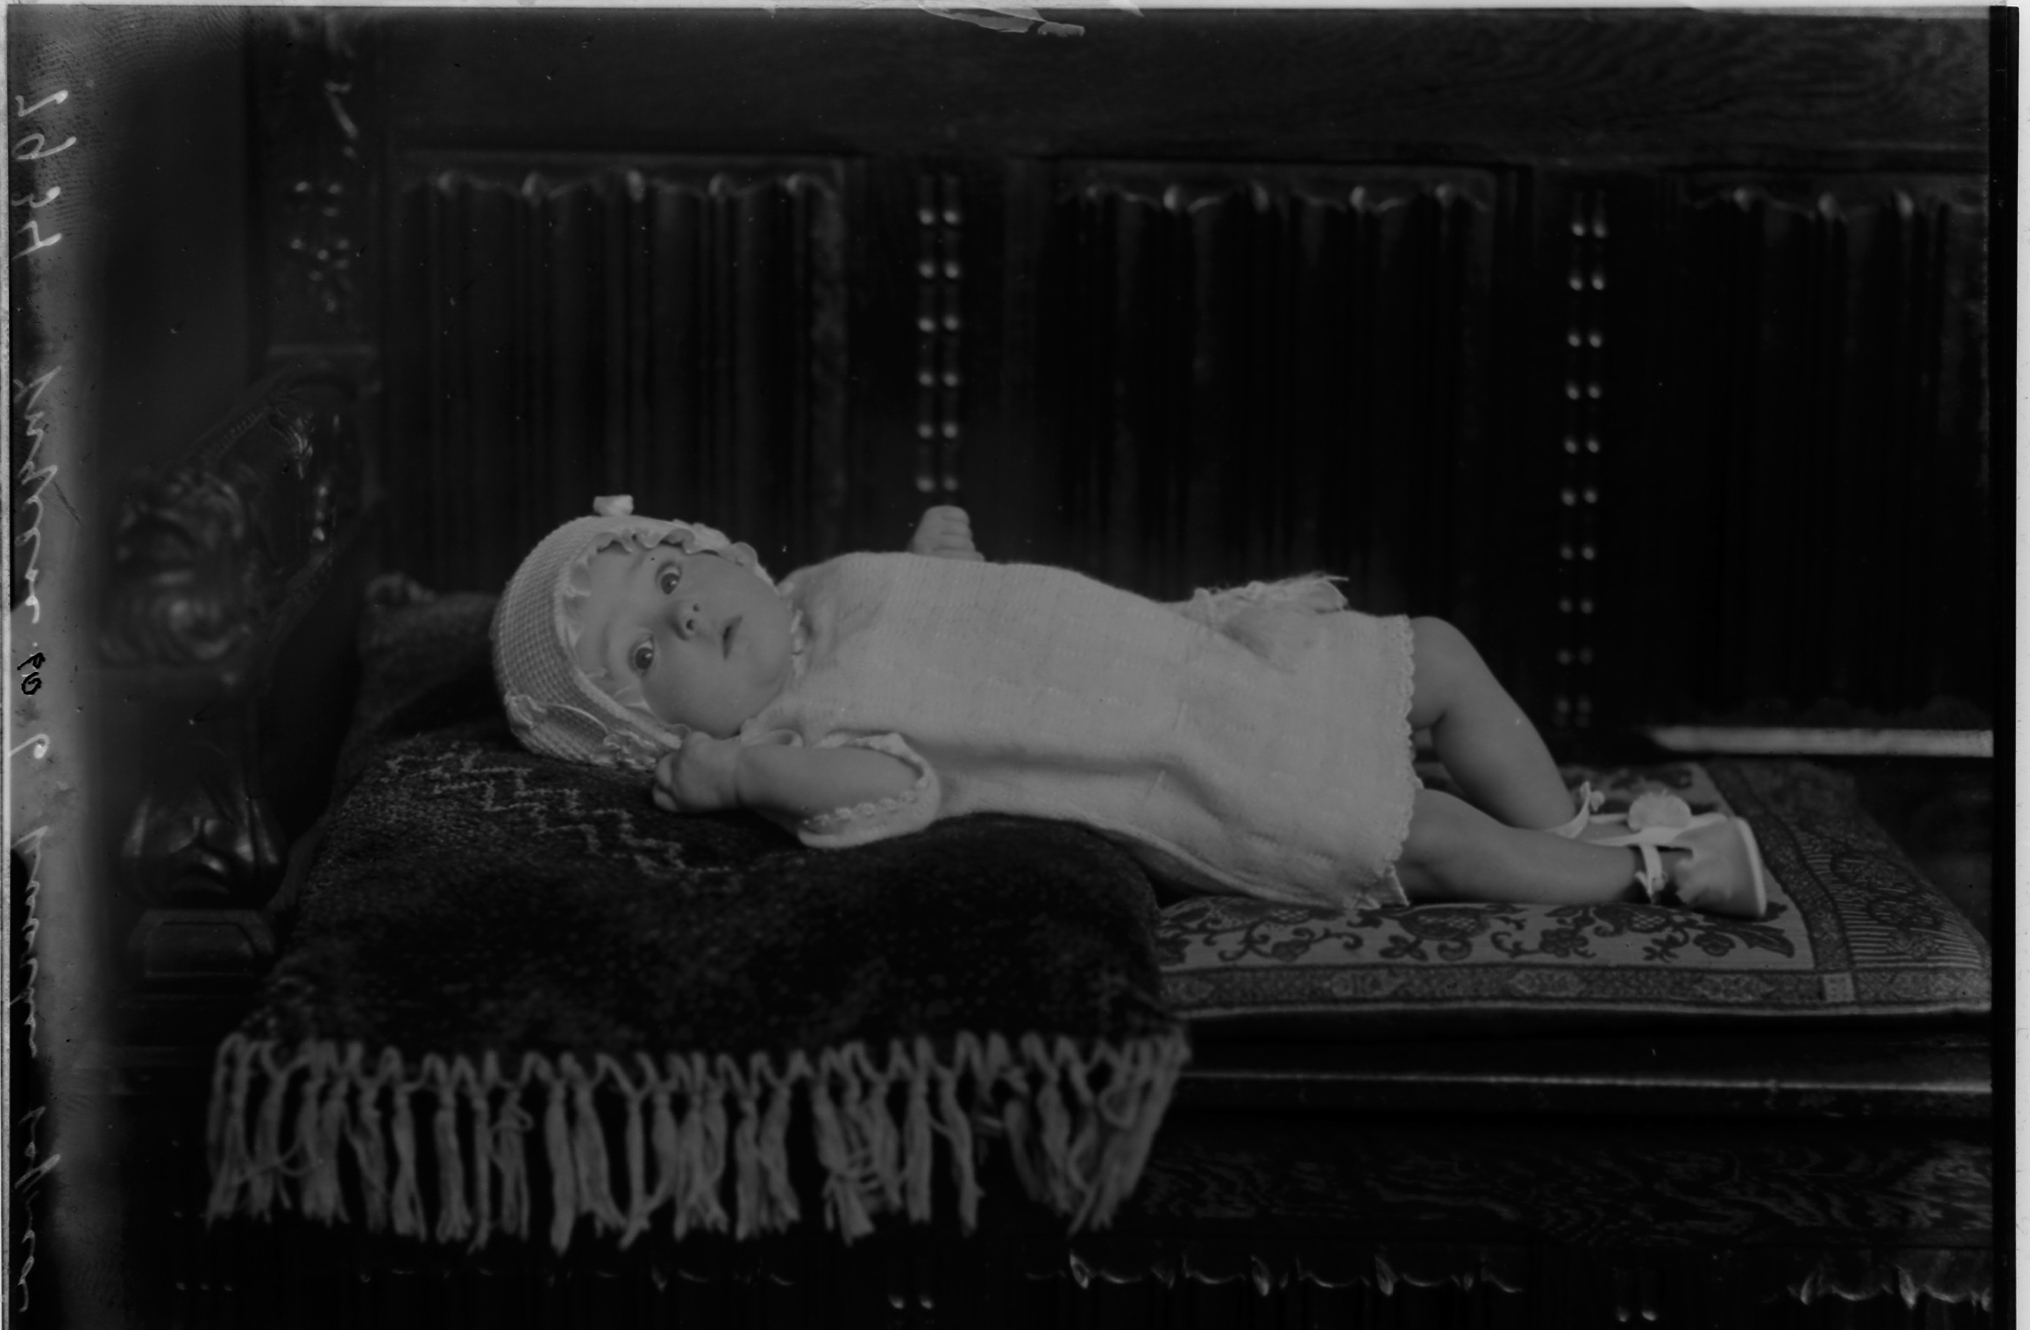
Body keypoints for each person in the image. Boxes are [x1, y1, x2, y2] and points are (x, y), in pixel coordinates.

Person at [491, 496, 1768, 918]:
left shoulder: (824, 588)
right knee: (1419, 833)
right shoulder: (791, 736)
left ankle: (1563, 824)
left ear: (721, 550)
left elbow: (971, 624)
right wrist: (738, 779)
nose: (681, 616)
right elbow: (895, 790)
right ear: (664, 734)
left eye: (671, 577)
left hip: (1203, 659)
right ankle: (1648, 875)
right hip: (1188, 771)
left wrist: (941, 561)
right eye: (641, 654)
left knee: (1430, 652)